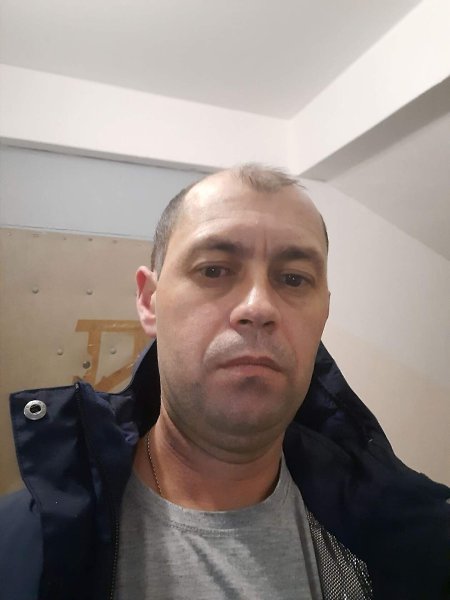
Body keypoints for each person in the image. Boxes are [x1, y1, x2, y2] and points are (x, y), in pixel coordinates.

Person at [0, 164, 449, 600]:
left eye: (294, 279)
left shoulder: (414, 543)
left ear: (323, 313)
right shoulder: (18, 551)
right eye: (213, 270)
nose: (259, 307)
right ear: (150, 301)